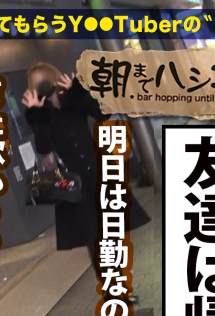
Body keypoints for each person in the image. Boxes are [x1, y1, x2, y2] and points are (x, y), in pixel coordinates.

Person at [22, 62, 151, 303]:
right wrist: (36, 116)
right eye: (37, 83)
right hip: (76, 186)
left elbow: (102, 113)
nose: (43, 85)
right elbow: (43, 147)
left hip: (99, 176)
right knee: (95, 240)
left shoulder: (72, 100)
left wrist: (79, 91)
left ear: (54, 77)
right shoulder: (43, 115)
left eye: (45, 79)